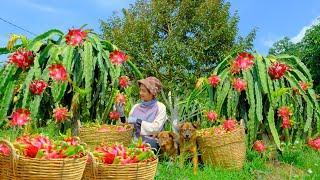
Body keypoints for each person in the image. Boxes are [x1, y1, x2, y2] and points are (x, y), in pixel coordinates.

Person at [116, 76, 167, 150]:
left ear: (152, 93)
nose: (140, 93)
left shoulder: (160, 107)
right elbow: (127, 126)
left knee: (148, 146)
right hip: (134, 140)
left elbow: (156, 128)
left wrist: (138, 121)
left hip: (151, 142)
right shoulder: (136, 107)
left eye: (144, 91)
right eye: (140, 90)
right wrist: (122, 115)